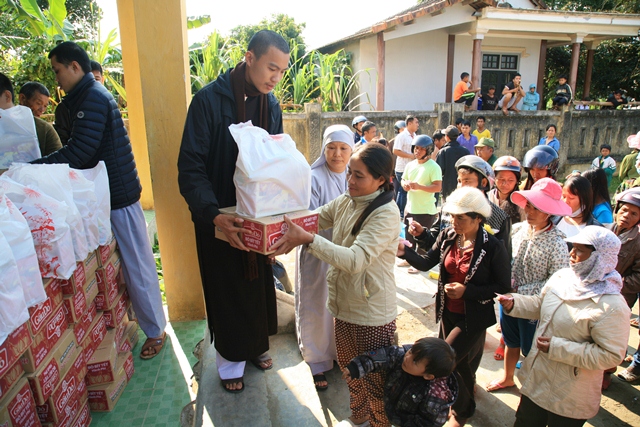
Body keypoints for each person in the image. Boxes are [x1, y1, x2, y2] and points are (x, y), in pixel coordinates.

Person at [31, 41, 167, 359]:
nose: (57, 79)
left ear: (75, 67)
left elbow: (80, 152)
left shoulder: (92, 97)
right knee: (127, 265)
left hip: (119, 195)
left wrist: (32, 169)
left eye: (58, 71)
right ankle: (145, 323)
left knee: (138, 265)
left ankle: (156, 331)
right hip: (108, 195)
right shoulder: (84, 97)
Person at [177, 30, 290, 393]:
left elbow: (276, 161)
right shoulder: (209, 101)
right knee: (226, 286)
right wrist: (213, 213)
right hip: (219, 214)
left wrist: (277, 215)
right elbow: (191, 166)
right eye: (271, 67)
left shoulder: (270, 105)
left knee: (258, 283)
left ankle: (254, 345)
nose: (276, 77)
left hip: (256, 214)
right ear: (249, 58)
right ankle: (229, 359)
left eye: (282, 71)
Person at [271, 143, 400, 427]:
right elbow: (315, 218)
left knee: (376, 383)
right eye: (349, 173)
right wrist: (274, 229)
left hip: (371, 314)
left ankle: (379, 423)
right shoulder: (347, 200)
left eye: (358, 176)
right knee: (350, 371)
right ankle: (359, 416)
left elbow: (355, 260)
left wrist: (309, 239)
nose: (350, 180)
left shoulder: (386, 214)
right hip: (343, 307)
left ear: (381, 179)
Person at [399, 187, 511, 427]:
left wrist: (467, 291)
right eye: (452, 216)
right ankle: (464, 404)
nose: (454, 222)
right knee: (458, 364)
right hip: (447, 311)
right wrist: (405, 252)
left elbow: (503, 286)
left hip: (473, 318)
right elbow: (426, 262)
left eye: (461, 218)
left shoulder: (492, 246)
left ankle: (462, 411)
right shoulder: (449, 236)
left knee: (445, 363)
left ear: (478, 218)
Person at [498, 226, 630, 427]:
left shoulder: (612, 305)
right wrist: (515, 303)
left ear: (599, 257)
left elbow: (611, 355)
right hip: (538, 380)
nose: (571, 254)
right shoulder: (563, 277)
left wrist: (557, 348)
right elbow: (541, 304)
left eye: (579, 250)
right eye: (572, 247)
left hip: (570, 393)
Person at [486, 178, 571, 393]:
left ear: (549, 212)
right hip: (508, 299)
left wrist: (521, 292)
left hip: (533, 306)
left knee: (530, 348)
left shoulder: (557, 243)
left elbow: (557, 281)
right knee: (510, 340)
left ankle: (532, 388)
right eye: (529, 206)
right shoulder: (517, 230)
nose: (530, 212)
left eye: (537, 208)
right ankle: (507, 378)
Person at [295, 125, 354, 392]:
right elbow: (308, 217)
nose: (337, 154)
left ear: (351, 150)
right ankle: (317, 359)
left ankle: (340, 354)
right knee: (317, 302)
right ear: (323, 149)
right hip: (318, 252)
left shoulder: (355, 175)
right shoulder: (314, 177)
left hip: (346, 253)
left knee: (343, 304)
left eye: (343, 148)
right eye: (331, 147)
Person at [342, 337, 458, 427]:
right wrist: (356, 367)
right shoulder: (401, 356)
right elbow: (382, 356)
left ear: (428, 376)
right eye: (411, 351)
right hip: (390, 410)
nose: (407, 358)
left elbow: (428, 423)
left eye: (415, 361)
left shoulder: (435, 396)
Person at [611, 188, 640, 382]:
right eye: (624, 210)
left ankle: (607, 371)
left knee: (612, 335)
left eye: (634, 214)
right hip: (598, 293)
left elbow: (638, 277)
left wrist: (616, 283)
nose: (626, 216)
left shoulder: (638, 241)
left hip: (620, 297)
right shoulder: (608, 229)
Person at [401, 135, 442, 269]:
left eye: (421, 149)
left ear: (428, 150)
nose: (417, 151)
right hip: (410, 207)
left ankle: (419, 263)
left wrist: (419, 187)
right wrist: (404, 184)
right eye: (415, 148)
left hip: (425, 209)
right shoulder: (410, 165)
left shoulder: (434, 167)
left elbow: (438, 187)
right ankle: (409, 259)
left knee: (422, 239)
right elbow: (403, 179)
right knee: (409, 236)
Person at [6, 78, 62, 156]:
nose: (42, 110)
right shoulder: (5, 123)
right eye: (38, 103)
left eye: (45, 106)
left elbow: (58, 158)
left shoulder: (45, 129)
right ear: (22, 99)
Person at [394, 115, 419, 219]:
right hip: (402, 168)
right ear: (409, 123)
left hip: (411, 168)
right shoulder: (402, 136)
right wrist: (410, 156)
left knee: (405, 190)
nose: (418, 125)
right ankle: (400, 212)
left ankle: (400, 211)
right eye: (416, 122)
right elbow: (395, 151)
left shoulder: (415, 135)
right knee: (403, 190)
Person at [489, 156, 526, 225]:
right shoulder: (488, 197)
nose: (505, 184)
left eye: (510, 180)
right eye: (501, 179)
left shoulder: (523, 202)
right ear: (494, 178)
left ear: (517, 181)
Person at [436, 125, 469, 201]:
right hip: (462, 187)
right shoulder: (465, 151)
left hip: (447, 188)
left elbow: (438, 171)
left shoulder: (443, 152)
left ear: (447, 137)